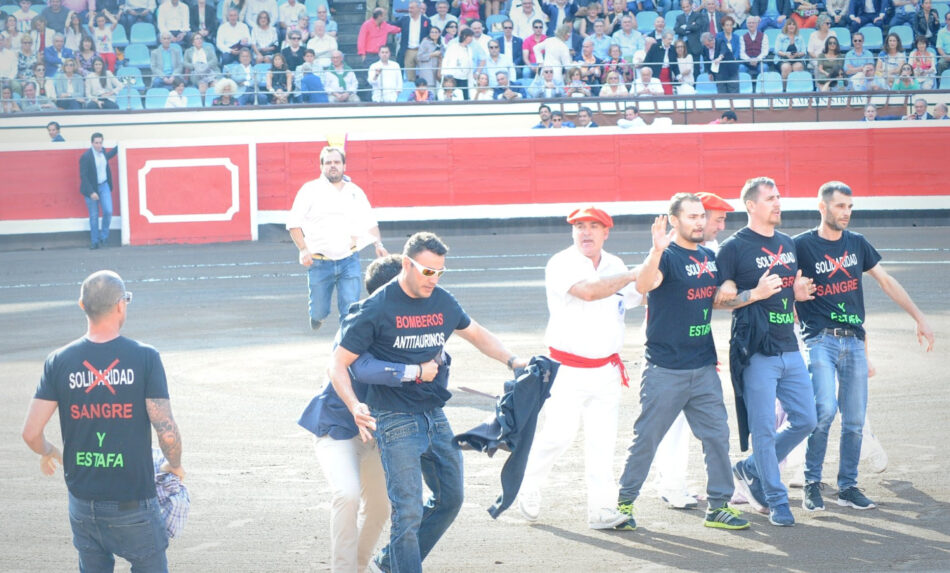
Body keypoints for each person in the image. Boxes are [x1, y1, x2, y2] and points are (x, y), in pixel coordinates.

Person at [329, 231, 528, 573]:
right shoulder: (376, 308)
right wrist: (353, 404)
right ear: (407, 264)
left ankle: (390, 562)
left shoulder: (443, 302)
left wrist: (513, 361)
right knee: (407, 511)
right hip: (393, 417)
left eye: (439, 272)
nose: (432, 279)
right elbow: (338, 363)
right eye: (426, 271)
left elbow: (476, 334)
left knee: (451, 498)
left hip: (434, 414)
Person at [21, 270, 184, 572]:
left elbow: (31, 433)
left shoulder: (59, 361)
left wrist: (50, 452)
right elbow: (167, 432)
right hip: (133, 504)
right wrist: (174, 464)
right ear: (121, 305)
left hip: (83, 503)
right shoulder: (145, 357)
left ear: (82, 306)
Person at [795, 181, 935, 513]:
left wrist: (920, 317)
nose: (846, 212)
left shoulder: (857, 243)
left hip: (855, 341)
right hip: (819, 339)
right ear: (822, 207)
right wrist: (793, 292)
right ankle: (812, 483)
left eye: (850, 207)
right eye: (840, 206)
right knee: (825, 410)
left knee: (855, 420)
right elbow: (782, 291)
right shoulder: (800, 245)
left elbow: (886, 280)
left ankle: (847, 486)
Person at [615, 195, 751, 532]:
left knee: (717, 436)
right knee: (646, 438)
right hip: (665, 369)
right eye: (692, 216)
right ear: (674, 220)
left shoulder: (708, 256)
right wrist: (656, 249)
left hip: (703, 366)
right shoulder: (666, 257)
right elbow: (644, 285)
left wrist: (745, 289)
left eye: (702, 216)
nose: (700, 222)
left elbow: (719, 297)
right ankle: (623, 502)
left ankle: (718, 506)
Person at [299, 255, 438, 573]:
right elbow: (364, 369)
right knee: (346, 494)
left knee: (380, 507)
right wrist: (414, 370)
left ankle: (359, 566)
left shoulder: (413, 323)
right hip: (338, 427)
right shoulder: (356, 320)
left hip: (379, 432)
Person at [517, 206, 640, 530]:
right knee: (558, 435)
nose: (586, 232)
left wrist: (656, 256)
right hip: (566, 369)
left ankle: (601, 510)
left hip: (607, 370)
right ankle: (527, 484)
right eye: (580, 226)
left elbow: (640, 296)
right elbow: (587, 291)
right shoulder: (562, 262)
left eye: (593, 226)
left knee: (603, 441)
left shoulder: (615, 264)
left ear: (605, 232)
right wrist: (631, 276)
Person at [717, 176, 818, 527]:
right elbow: (719, 298)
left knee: (807, 418)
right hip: (756, 351)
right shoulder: (733, 247)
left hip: (789, 346)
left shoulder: (788, 243)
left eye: (778, 197)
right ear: (751, 205)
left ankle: (749, 467)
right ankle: (776, 499)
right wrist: (754, 294)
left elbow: (788, 288)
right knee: (762, 429)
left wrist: (797, 291)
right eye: (771, 198)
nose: (778, 203)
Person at [648, 191, 734, 509]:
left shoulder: (710, 252)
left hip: (697, 351)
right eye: (717, 218)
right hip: (672, 353)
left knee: (690, 426)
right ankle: (671, 484)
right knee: (674, 425)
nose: (719, 225)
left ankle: (674, 482)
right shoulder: (674, 251)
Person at [287, 146, 388, 331]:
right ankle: (318, 316)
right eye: (328, 163)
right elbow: (293, 223)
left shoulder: (355, 191)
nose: (333, 166)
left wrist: (378, 244)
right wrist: (303, 249)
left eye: (337, 162)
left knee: (350, 311)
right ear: (321, 166)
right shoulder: (309, 190)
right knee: (319, 311)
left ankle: (345, 349)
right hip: (318, 262)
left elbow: (370, 221)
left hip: (349, 259)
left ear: (344, 165)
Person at [79, 132, 117, 249]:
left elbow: (108, 155)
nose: (98, 145)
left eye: (100, 143)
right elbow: (83, 176)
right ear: (92, 143)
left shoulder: (103, 152)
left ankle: (103, 236)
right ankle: (94, 241)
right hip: (91, 188)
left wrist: (119, 147)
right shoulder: (86, 157)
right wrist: (91, 192)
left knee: (108, 211)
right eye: (96, 143)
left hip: (104, 185)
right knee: (94, 215)